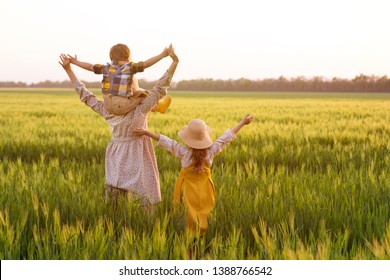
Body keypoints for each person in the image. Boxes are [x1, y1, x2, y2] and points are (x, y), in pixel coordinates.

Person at [58, 45, 179, 213]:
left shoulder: (108, 111)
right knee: (143, 200)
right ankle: (145, 227)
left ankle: (114, 225)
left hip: (116, 155)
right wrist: (174, 62)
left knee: (114, 204)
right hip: (136, 155)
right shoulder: (140, 110)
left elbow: (85, 95)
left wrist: (69, 68)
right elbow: (160, 88)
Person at [133, 114, 254, 233]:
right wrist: (242, 123)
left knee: (187, 213)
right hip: (205, 189)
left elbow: (166, 141)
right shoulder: (210, 152)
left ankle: (188, 237)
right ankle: (204, 235)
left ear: (188, 139)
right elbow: (225, 138)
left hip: (187, 189)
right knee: (205, 211)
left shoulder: (185, 152)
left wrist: (146, 132)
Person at [67, 43, 172, 115]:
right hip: (122, 106)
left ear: (111, 57)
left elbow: (89, 66)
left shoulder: (105, 68)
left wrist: (75, 62)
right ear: (127, 57)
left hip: (108, 106)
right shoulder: (129, 67)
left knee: (132, 92)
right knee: (141, 94)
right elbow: (146, 64)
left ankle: (156, 106)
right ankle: (158, 107)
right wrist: (162, 55)